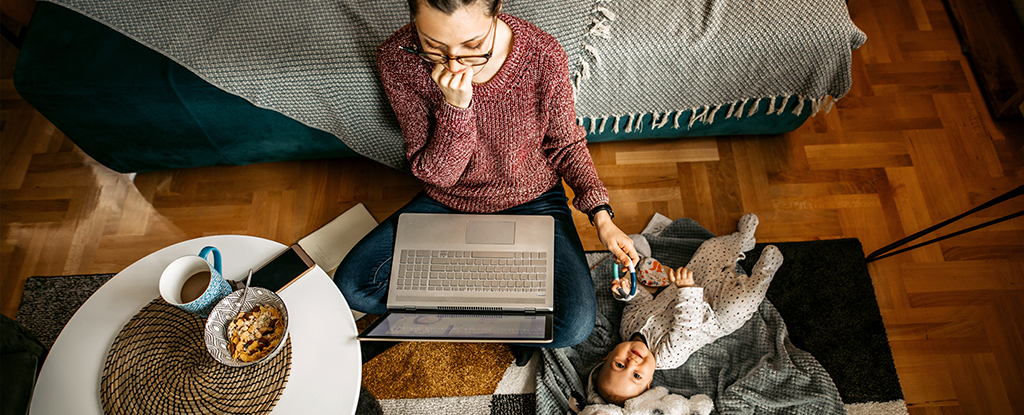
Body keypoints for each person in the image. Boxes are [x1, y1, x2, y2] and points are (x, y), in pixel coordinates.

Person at [334, 0, 640, 363]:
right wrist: (456, 109)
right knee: (351, 286)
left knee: (574, 326)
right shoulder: (398, 59)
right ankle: (509, 319)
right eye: (433, 46)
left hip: (534, 199)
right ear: (413, 21)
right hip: (448, 199)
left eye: (473, 47)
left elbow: (565, 144)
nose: (453, 64)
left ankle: (458, 308)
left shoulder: (542, 54)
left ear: (497, 12)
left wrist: (602, 219)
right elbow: (438, 174)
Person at [589, 214, 784, 405]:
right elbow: (687, 326)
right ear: (649, 383)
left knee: (710, 249)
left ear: (609, 356)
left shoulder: (627, 329)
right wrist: (687, 290)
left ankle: (741, 241)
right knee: (742, 302)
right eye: (637, 375)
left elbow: (638, 303)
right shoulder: (667, 356)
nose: (632, 363)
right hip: (714, 313)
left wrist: (627, 293)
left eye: (619, 365)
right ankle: (764, 273)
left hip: (688, 282)